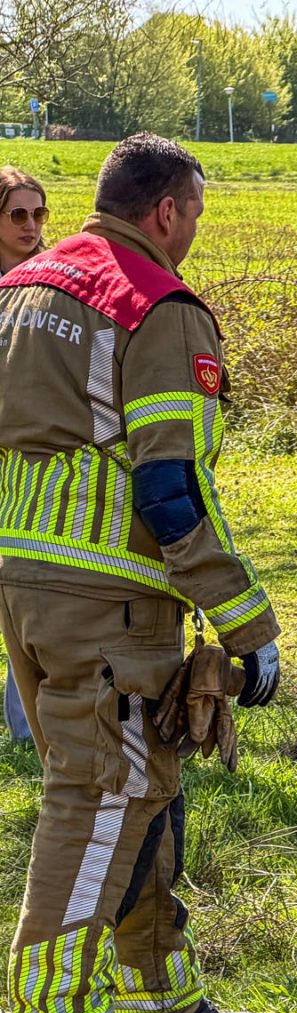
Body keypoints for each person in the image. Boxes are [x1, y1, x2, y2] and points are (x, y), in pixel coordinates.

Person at [0, 134, 282, 1013]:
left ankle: (158, 992)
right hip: (108, 595)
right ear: (166, 210)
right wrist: (248, 623)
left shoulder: (19, 288)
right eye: (196, 212)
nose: (195, 229)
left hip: (26, 587)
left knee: (141, 782)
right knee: (103, 795)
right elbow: (169, 490)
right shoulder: (157, 307)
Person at [0, 166, 49, 743]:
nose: (31, 226)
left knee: (27, 596)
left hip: (32, 458)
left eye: (38, 214)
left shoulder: (50, 284)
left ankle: (23, 727)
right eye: (17, 213)